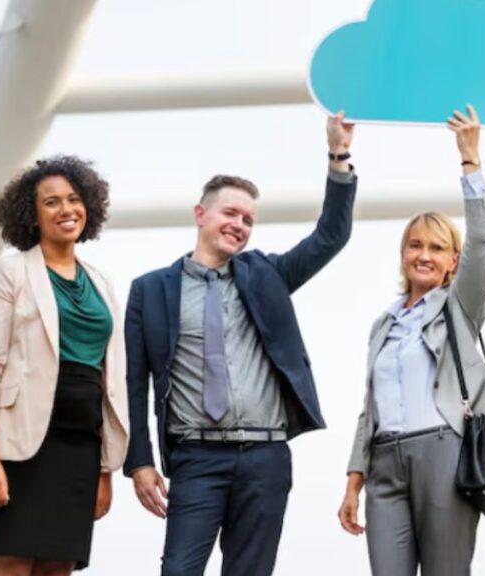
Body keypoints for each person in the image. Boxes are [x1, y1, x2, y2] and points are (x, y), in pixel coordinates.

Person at [123, 113, 357, 576]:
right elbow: (134, 382)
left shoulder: (268, 274)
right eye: (230, 213)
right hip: (196, 457)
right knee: (178, 570)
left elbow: (332, 235)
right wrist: (140, 462)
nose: (239, 225)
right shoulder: (149, 290)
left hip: (265, 457)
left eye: (248, 219)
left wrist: (339, 156)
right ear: (200, 214)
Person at [337, 105, 485, 576]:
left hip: (443, 452)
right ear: (403, 254)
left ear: (453, 261)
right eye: (415, 245)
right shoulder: (384, 323)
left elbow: (482, 240)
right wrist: (354, 481)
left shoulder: (459, 306)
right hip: (384, 464)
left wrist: (470, 160)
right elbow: (369, 408)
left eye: (437, 247)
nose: (424, 255)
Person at [0, 156, 129, 575]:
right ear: (32, 215)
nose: (66, 209)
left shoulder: (101, 282)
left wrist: (105, 469)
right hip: (21, 443)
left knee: (58, 566)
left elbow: (111, 379)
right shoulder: (9, 272)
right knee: (11, 563)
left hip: (81, 447)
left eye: (74, 199)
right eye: (51, 202)